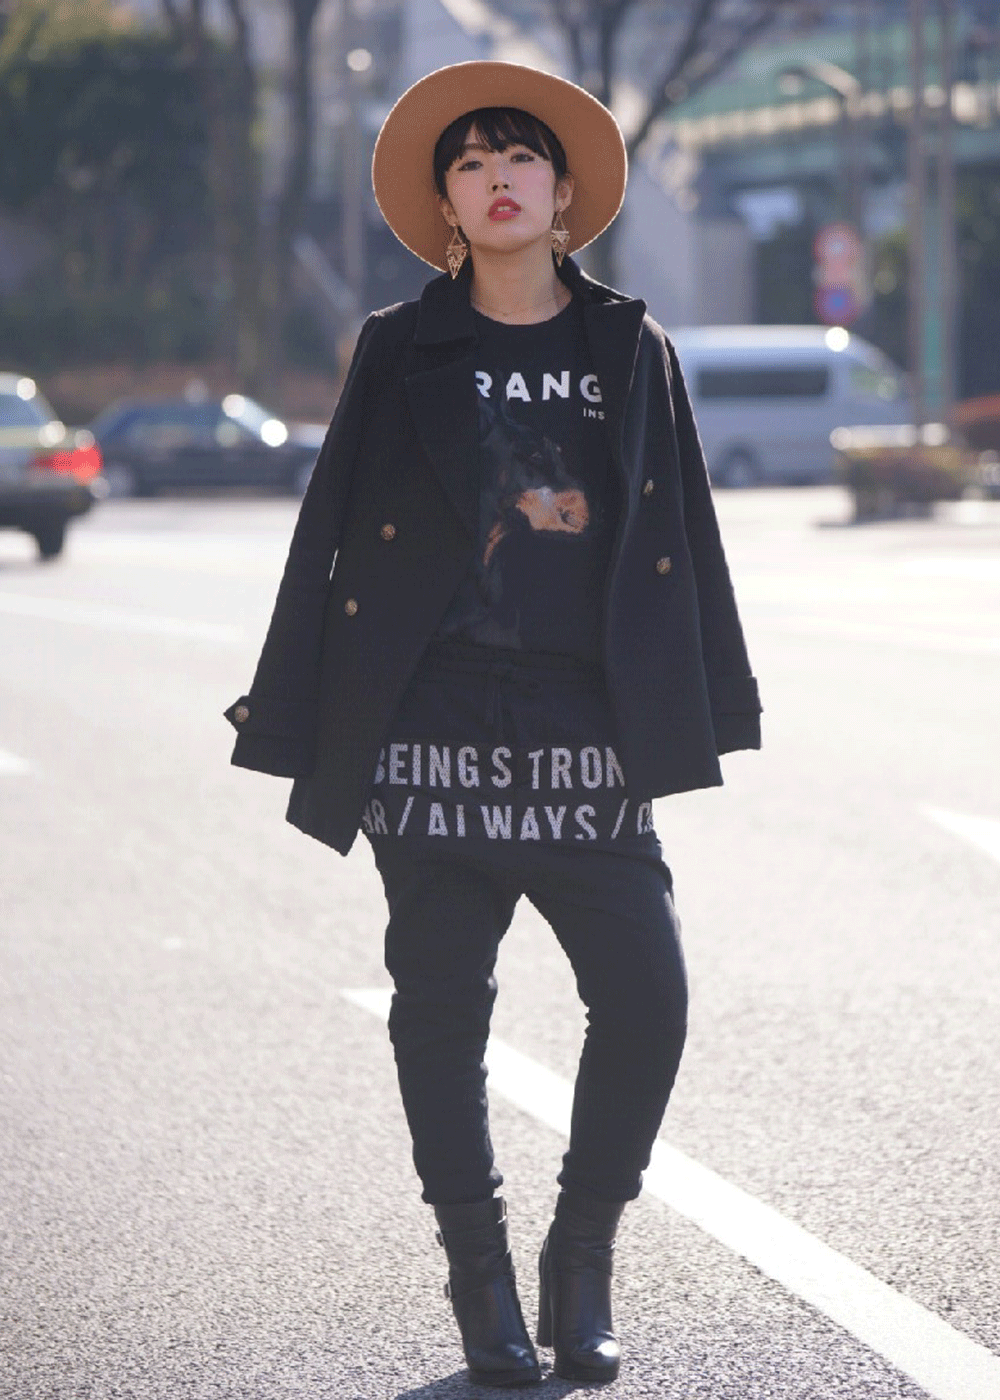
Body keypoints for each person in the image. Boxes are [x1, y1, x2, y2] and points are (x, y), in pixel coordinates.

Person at [225, 61, 761, 1387]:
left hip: (585, 725)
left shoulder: (630, 349)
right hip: (432, 719)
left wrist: (708, 704)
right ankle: (481, 1280)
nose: (497, 176)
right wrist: (295, 710)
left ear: (564, 193)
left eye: (520, 156)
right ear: (449, 206)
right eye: (469, 162)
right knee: (441, 1010)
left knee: (647, 1000)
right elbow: (330, 530)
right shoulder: (399, 347)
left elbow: (682, 533)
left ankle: (583, 1260)